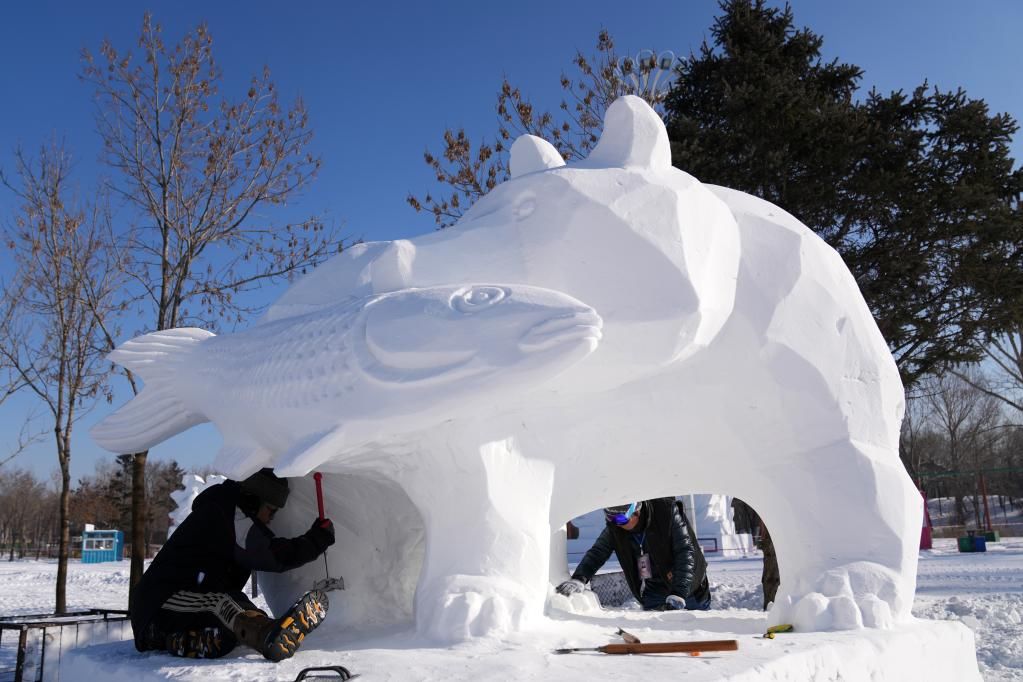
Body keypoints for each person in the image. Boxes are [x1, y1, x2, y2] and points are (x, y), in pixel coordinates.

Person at [129, 468, 337, 661]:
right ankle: (266, 635)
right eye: (271, 511)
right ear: (254, 500)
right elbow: (271, 555)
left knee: (232, 609)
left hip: (171, 615)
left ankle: (181, 640)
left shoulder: (226, 509)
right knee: (223, 604)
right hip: (158, 603)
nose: (270, 520)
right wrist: (315, 540)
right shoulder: (227, 512)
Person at [556, 497, 711, 611]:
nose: (617, 523)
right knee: (657, 638)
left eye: (621, 518)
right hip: (654, 590)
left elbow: (685, 552)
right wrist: (579, 578)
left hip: (690, 588)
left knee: (695, 632)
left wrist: (679, 592)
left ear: (636, 510)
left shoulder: (666, 512)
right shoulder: (616, 526)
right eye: (610, 517)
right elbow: (598, 552)